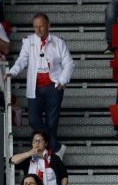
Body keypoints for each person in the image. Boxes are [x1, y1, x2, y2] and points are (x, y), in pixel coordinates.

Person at [7, 13, 71, 153]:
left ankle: (50, 156)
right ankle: (57, 147)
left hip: (54, 86)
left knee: (52, 122)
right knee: (33, 120)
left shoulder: (58, 42)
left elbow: (69, 63)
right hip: (35, 87)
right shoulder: (28, 41)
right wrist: (13, 71)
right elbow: (22, 59)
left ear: (48, 26)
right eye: (35, 27)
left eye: (41, 26)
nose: (38, 29)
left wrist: (62, 80)